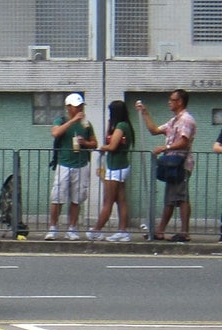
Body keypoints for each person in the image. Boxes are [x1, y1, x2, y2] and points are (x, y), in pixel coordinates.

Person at [136, 89, 196, 242]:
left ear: (180, 101)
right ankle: (160, 230)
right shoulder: (174, 121)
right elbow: (155, 130)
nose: (169, 102)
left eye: (172, 99)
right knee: (170, 198)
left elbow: (184, 141)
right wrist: (145, 113)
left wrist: (165, 148)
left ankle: (184, 232)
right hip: (172, 164)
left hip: (181, 163)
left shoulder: (186, 120)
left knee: (182, 197)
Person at [46, 93, 98, 240]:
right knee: (57, 197)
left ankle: (72, 228)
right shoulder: (61, 120)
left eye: (81, 106)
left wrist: (85, 143)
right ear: (69, 107)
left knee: (77, 198)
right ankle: (53, 227)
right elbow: (55, 133)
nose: (79, 109)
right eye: (76, 106)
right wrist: (73, 120)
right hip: (64, 164)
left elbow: (95, 143)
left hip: (81, 165)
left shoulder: (86, 124)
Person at [87, 100, 134, 242]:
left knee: (108, 200)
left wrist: (103, 148)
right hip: (120, 166)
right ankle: (122, 230)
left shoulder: (121, 126)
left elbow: (112, 146)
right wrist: (109, 125)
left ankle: (97, 230)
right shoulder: (125, 125)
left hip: (116, 167)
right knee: (121, 200)